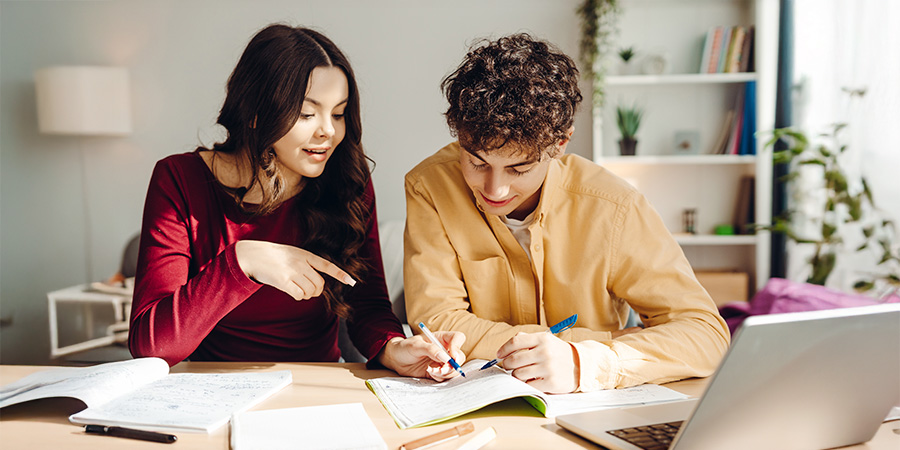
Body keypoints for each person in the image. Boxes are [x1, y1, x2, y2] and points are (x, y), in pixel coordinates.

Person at [129, 24, 465, 381]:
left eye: (338, 113)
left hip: (316, 386)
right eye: (307, 114)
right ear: (255, 112)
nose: (328, 131)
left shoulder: (347, 181)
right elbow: (152, 345)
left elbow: (366, 305)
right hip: (211, 388)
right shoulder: (179, 179)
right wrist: (241, 261)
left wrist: (395, 347)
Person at [403, 33, 730, 393]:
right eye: (477, 162)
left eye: (519, 168)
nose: (495, 190)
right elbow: (437, 321)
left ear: (560, 144)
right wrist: (606, 339)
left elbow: (706, 334)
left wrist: (583, 361)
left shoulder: (614, 205)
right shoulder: (429, 185)